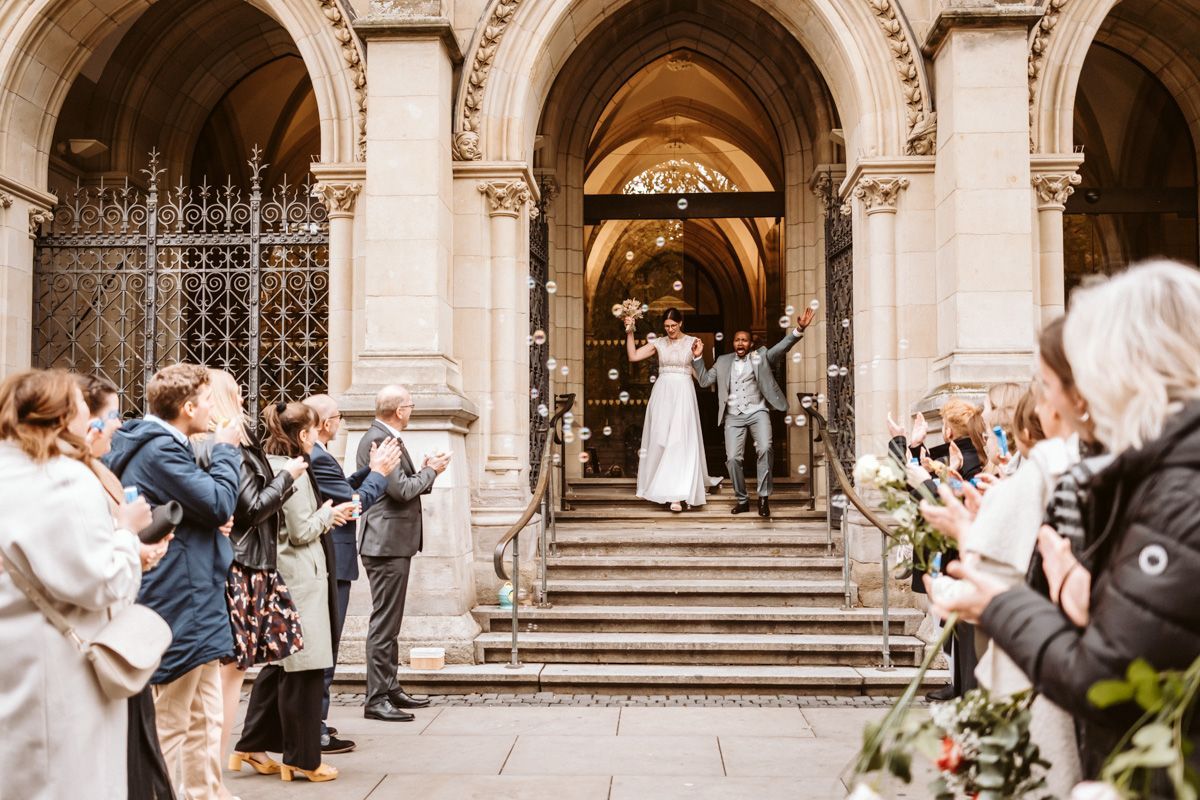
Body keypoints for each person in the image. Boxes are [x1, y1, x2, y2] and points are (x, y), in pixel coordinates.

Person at [928, 261, 1200, 788]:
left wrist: (1001, 605)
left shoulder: (1176, 488)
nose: (1057, 398)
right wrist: (1085, 593)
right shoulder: (1152, 472)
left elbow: (1109, 675)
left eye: (1080, 371)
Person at [0, 369, 147, 799]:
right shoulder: (65, 477)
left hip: (13, 650)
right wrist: (126, 532)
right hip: (62, 660)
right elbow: (103, 581)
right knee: (71, 777)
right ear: (64, 418)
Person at [104, 363, 242, 799]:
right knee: (173, 716)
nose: (211, 409)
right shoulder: (159, 449)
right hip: (181, 594)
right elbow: (219, 502)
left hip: (195, 587)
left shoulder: (160, 445)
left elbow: (197, 506)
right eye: (205, 401)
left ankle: (206, 792)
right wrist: (225, 451)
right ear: (187, 407)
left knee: (205, 711)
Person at [192, 370, 308, 772]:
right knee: (225, 680)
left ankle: (224, 765)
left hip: (248, 564)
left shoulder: (229, 445)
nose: (244, 403)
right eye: (238, 395)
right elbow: (252, 508)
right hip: (239, 566)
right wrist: (287, 478)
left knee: (229, 676)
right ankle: (211, 778)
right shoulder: (227, 449)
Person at [234, 401, 355, 782]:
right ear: (304, 434)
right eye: (315, 430)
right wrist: (330, 515)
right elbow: (301, 530)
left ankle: (251, 745)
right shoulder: (296, 472)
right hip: (301, 576)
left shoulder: (269, 463)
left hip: (284, 573)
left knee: (279, 664)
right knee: (305, 667)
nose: (318, 437)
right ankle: (303, 759)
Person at [76, 374, 176, 800]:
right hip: (94, 639)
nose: (119, 424)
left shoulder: (96, 470)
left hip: (114, 627)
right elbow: (89, 570)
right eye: (111, 415)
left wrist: (136, 548)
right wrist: (128, 543)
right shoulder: (75, 482)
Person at [302, 393, 400, 753]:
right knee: (325, 649)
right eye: (339, 416)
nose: (341, 422)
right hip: (331, 561)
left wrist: (365, 471)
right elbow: (353, 504)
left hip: (328, 560)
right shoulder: (317, 455)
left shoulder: (317, 455)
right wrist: (378, 474)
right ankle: (317, 728)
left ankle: (303, 724)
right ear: (326, 423)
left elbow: (340, 485)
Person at [358, 385, 449, 721]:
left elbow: (400, 484)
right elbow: (401, 492)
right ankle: (376, 699)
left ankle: (390, 687)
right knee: (384, 623)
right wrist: (432, 472)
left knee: (390, 622)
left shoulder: (385, 437)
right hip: (385, 544)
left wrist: (422, 469)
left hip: (391, 543)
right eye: (410, 404)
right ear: (399, 410)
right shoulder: (381, 440)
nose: (412, 409)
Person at [692, 307, 815, 517]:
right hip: (733, 415)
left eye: (744, 340)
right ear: (733, 343)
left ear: (751, 344)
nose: (740, 343)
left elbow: (781, 348)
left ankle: (763, 498)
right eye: (737, 340)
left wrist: (799, 329)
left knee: (765, 449)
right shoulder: (722, 361)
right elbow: (704, 380)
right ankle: (742, 500)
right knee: (732, 459)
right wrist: (697, 358)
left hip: (758, 411)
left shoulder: (762, 356)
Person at [623, 308, 718, 512]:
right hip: (663, 392)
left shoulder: (692, 342)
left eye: (673, 326)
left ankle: (677, 495)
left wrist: (699, 356)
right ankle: (661, 486)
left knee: (679, 440)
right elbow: (633, 356)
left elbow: (702, 377)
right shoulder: (659, 343)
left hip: (683, 391)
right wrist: (630, 331)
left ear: (680, 323)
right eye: (666, 326)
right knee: (660, 439)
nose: (670, 330)